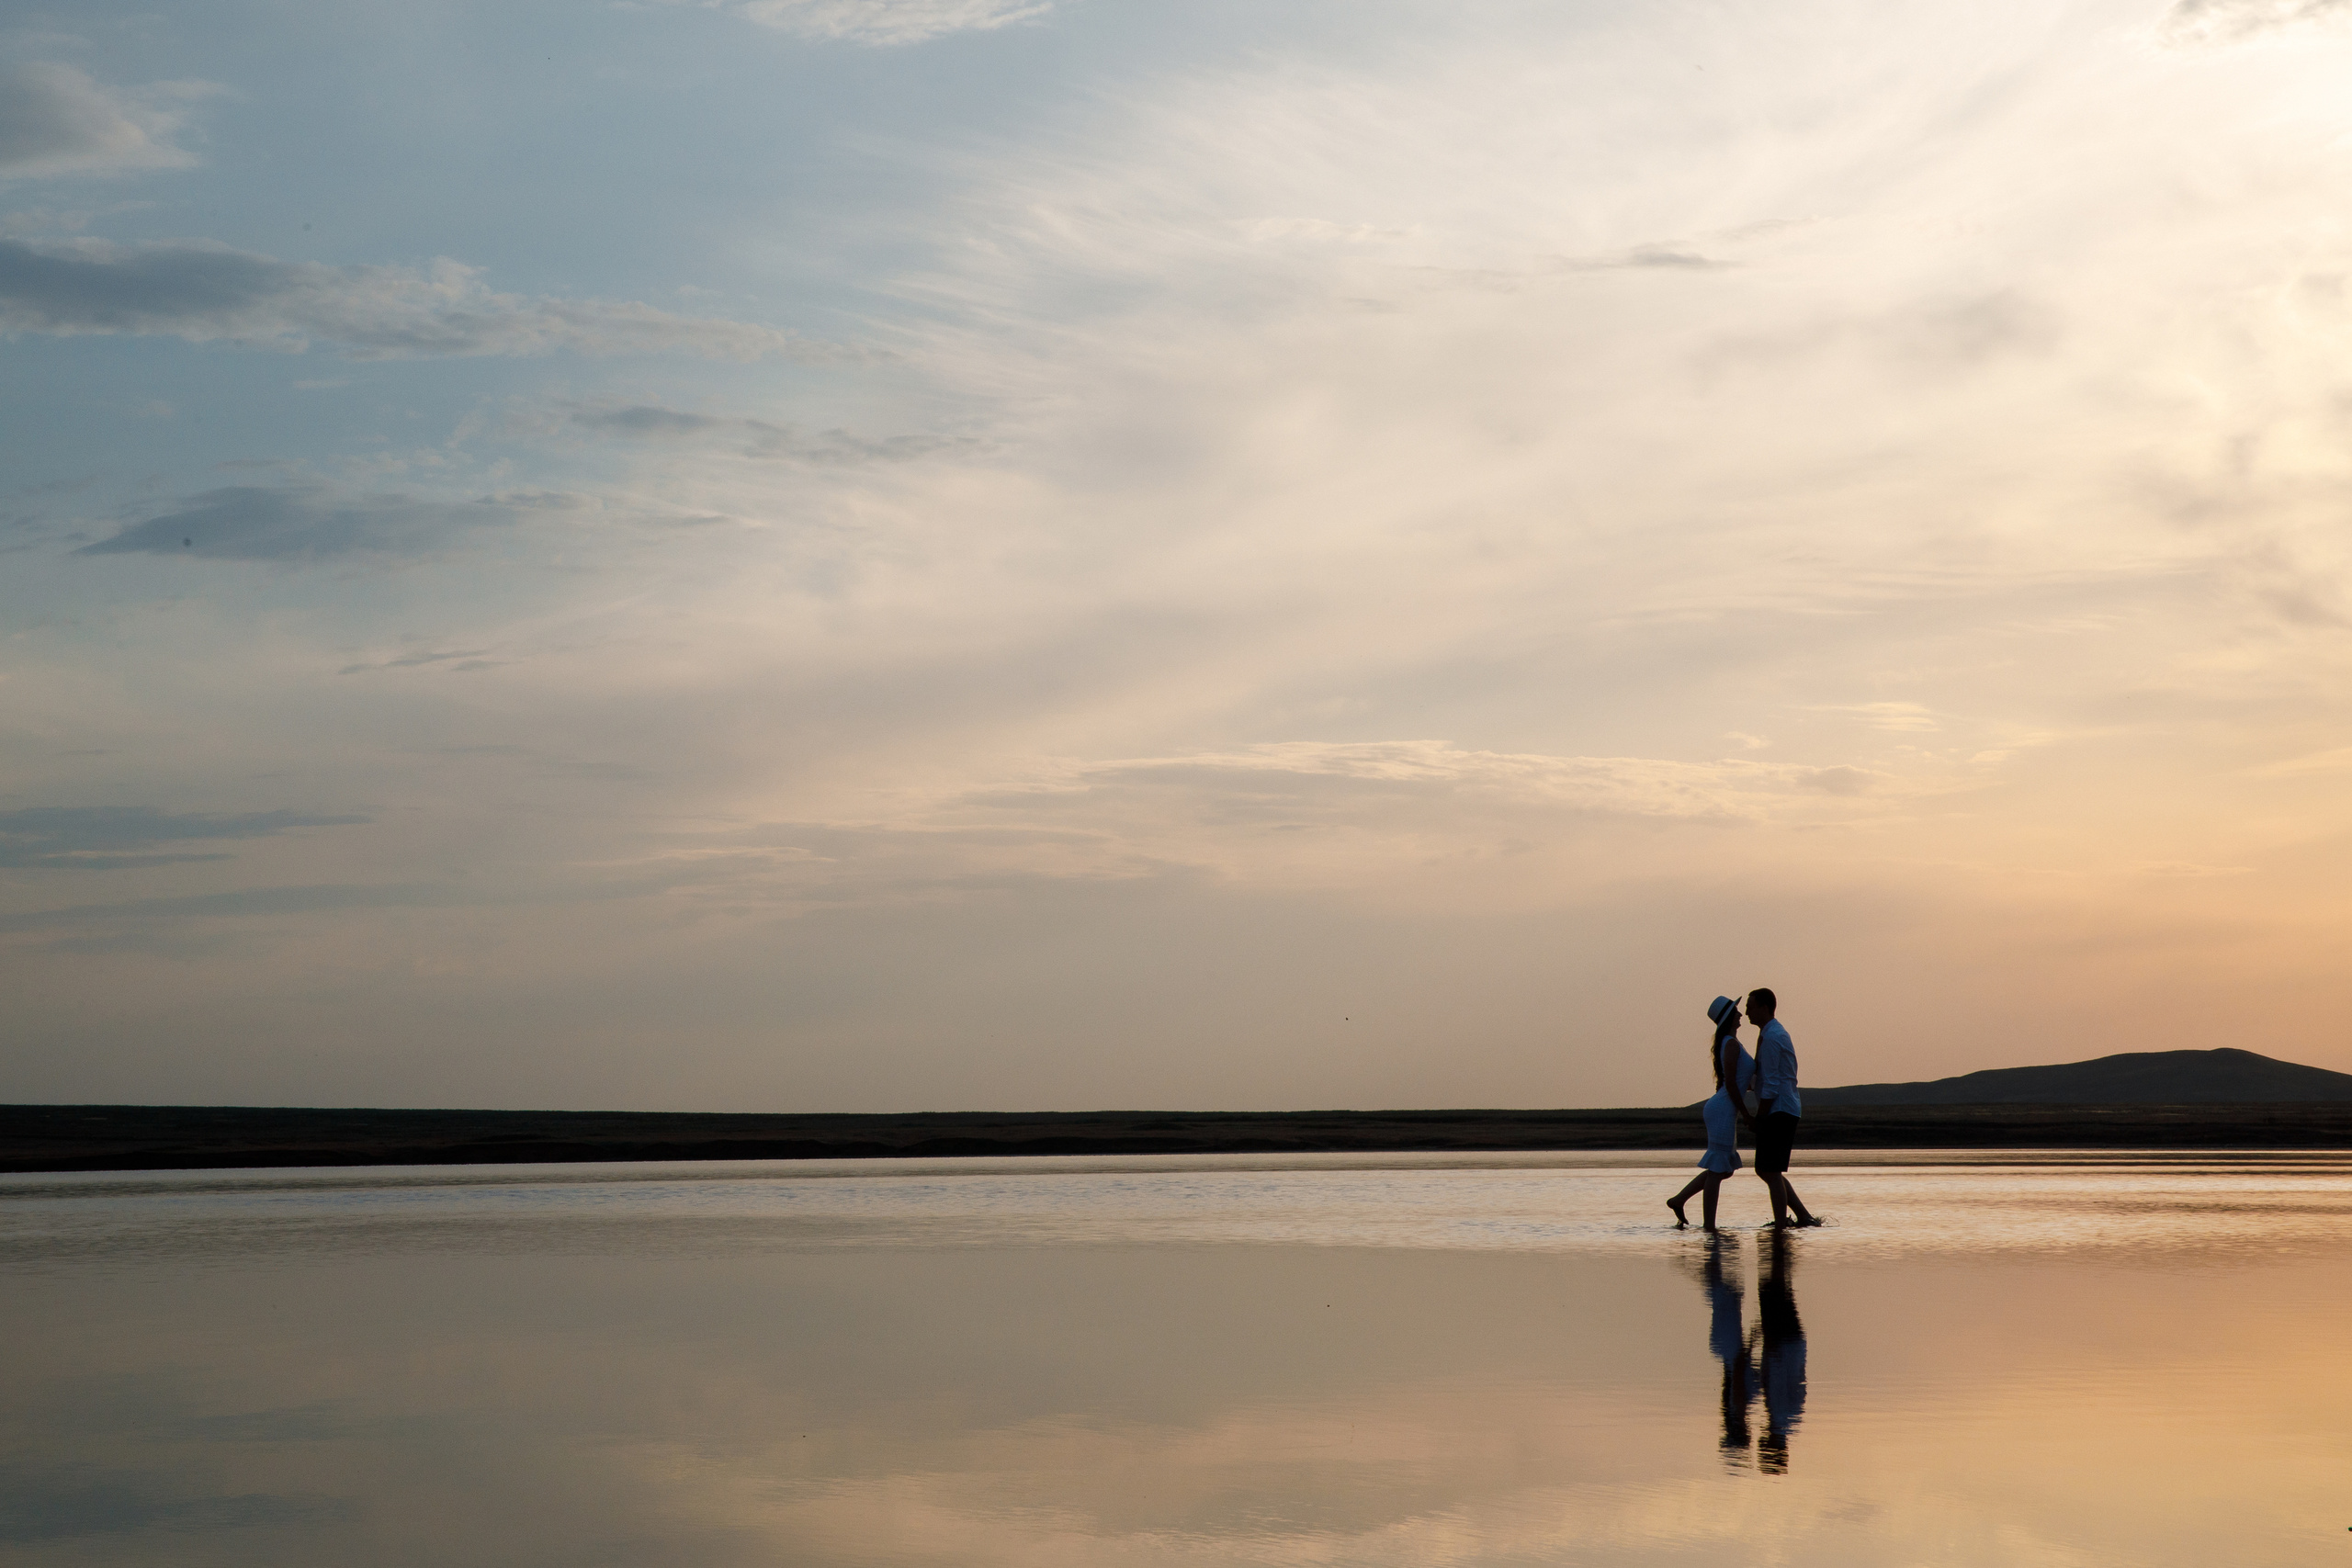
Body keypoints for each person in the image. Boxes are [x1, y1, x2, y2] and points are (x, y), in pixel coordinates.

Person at [1667, 996, 1755, 1231]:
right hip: (1723, 1110)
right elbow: (1732, 1086)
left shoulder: (1732, 1043)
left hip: (1724, 1108)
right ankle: (1709, 1227)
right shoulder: (1732, 1044)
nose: (1740, 1014)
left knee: (1723, 1170)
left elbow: (1738, 1081)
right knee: (1718, 1169)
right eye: (1736, 1011)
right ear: (1728, 1019)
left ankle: (1680, 1200)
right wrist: (1746, 1113)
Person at [1747, 988, 1821, 1228]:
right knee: (1770, 1170)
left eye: (1751, 1005)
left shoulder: (1771, 1038)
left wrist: (1760, 1117)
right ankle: (1802, 1217)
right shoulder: (1772, 1034)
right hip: (1783, 1108)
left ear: (1764, 1008)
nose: (1747, 1010)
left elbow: (1771, 1083)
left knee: (1768, 1170)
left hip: (1779, 1110)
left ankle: (1781, 1224)